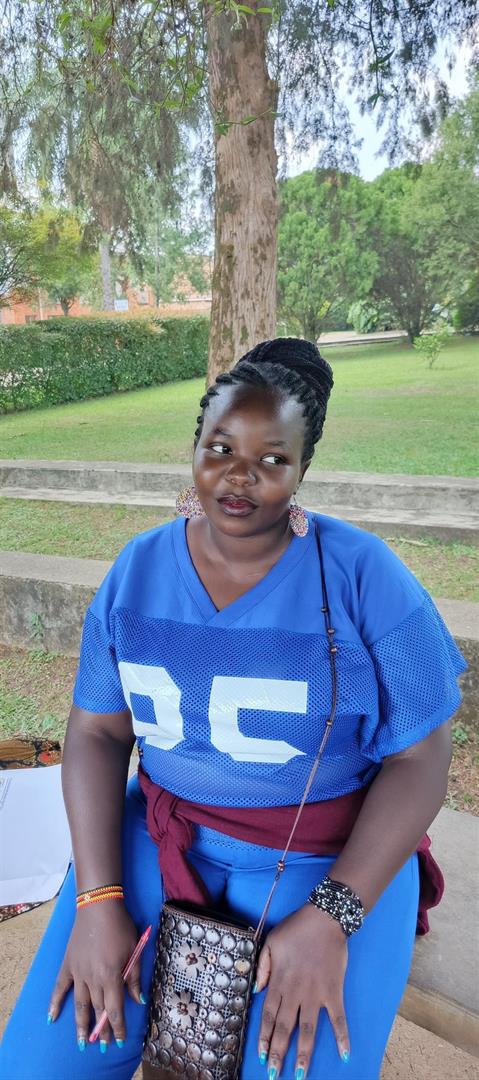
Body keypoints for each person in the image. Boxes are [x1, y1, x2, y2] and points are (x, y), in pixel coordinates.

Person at [0, 338, 466, 1080]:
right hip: (158, 840)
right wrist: (96, 898)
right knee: (41, 1063)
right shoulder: (137, 569)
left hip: (322, 857)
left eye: (272, 458)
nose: (239, 475)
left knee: (295, 1060)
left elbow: (420, 756)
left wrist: (333, 916)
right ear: (195, 446)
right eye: (220, 447)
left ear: (302, 468)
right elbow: (96, 731)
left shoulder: (364, 576)